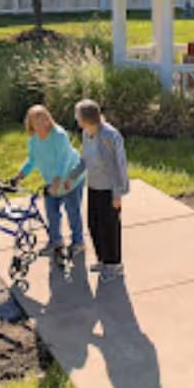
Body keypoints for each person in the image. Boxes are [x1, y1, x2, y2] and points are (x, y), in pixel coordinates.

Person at [10, 105, 85, 258]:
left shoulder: (59, 135)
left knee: (73, 212)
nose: (41, 125)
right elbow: (32, 160)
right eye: (36, 122)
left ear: (48, 119)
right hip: (51, 182)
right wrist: (20, 175)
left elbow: (63, 160)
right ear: (30, 124)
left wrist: (57, 179)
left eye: (44, 120)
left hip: (70, 179)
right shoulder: (33, 139)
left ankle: (78, 241)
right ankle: (55, 242)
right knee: (52, 213)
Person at [74, 99, 129, 282]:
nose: (76, 118)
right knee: (94, 224)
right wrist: (71, 176)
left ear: (86, 118)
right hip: (94, 187)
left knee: (109, 228)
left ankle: (114, 265)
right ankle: (103, 261)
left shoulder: (108, 135)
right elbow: (84, 160)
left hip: (109, 190)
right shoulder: (86, 132)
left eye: (78, 115)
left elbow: (118, 166)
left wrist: (117, 194)